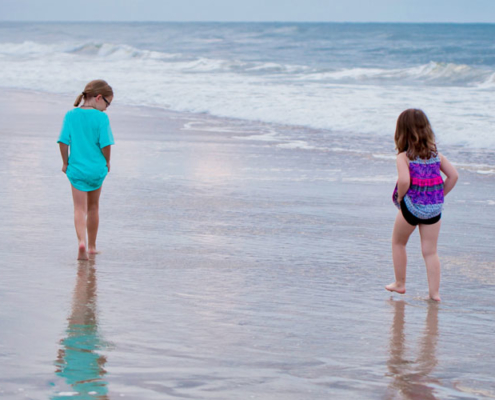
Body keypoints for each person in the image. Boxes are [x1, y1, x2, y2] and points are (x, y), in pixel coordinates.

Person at [386, 109, 458, 301]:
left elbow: (403, 181)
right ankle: (434, 293)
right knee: (430, 251)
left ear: (401, 132)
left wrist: (401, 199)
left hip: (411, 207)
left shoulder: (404, 157)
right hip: (434, 210)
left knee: (398, 242)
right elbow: (453, 176)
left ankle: (400, 283)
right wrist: (439, 195)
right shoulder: (437, 155)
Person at [58, 80, 114, 260]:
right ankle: (92, 246)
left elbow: (63, 141)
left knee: (79, 209)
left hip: (77, 169)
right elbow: (106, 145)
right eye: (107, 103)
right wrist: (107, 162)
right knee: (94, 207)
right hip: (96, 169)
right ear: (99, 98)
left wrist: (65, 163)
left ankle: (81, 242)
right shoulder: (101, 118)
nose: (106, 108)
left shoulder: (71, 115)